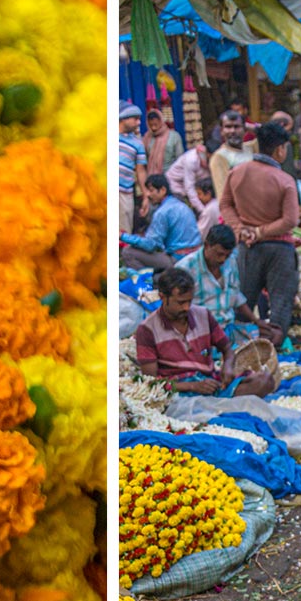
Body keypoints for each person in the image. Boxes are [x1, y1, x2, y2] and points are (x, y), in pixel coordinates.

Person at [221, 121, 301, 344]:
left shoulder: (237, 172)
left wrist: (241, 229)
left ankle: (241, 348)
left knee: (244, 301)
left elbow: (225, 205)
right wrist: (261, 231)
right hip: (279, 250)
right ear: (280, 150)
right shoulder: (285, 180)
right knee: (280, 305)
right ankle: (273, 350)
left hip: (247, 247)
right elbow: (290, 220)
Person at [132, 267, 228, 395]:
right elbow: (151, 382)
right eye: (181, 302)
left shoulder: (203, 315)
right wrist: (192, 386)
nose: (187, 307)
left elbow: (227, 349)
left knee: (261, 380)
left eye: (189, 301)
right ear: (163, 297)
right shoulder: (147, 329)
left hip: (210, 381)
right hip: (179, 389)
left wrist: (228, 366)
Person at [119, 174, 200, 270]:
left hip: (177, 259)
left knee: (128, 252)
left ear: (162, 190)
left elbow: (150, 245)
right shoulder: (181, 205)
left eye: (151, 190)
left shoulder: (162, 212)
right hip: (195, 256)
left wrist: (122, 236)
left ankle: (149, 282)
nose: (148, 194)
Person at [175, 224, 244, 331]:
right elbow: (177, 309)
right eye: (219, 254)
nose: (222, 260)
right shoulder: (185, 268)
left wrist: (257, 321)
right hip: (199, 330)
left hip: (227, 326)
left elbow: (237, 296)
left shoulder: (230, 262)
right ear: (207, 245)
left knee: (274, 335)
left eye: (227, 255)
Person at [208, 109, 254, 202]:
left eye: (237, 127)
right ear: (221, 131)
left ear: (244, 129)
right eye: (228, 127)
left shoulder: (251, 148)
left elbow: (274, 136)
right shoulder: (219, 157)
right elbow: (223, 197)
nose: (232, 131)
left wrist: (252, 128)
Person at [117, 104, 146, 235]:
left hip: (125, 193)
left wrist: (145, 195)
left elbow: (140, 170)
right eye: (135, 118)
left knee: (124, 234)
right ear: (123, 118)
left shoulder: (138, 143)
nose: (138, 122)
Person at [192, 175, 219, 239]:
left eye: (199, 194)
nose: (198, 197)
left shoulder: (209, 210)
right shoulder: (219, 202)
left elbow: (200, 234)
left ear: (208, 194)